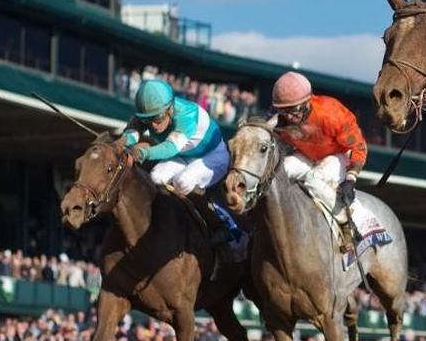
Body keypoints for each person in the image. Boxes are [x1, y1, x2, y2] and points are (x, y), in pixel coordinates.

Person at [122, 79, 241, 252]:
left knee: (183, 181)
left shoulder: (187, 115)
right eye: (148, 120)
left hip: (213, 155)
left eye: (158, 118)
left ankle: (221, 224)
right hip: (184, 155)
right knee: (156, 176)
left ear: (170, 109)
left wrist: (142, 153)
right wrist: (119, 144)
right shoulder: (149, 113)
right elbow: (131, 134)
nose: (154, 126)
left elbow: (170, 148)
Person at [270, 71, 367, 224]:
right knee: (277, 174)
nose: (289, 117)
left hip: (339, 155)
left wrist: (351, 179)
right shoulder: (279, 121)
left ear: (307, 102)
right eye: (284, 111)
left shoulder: (331, 114)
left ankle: (354, 221)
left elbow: (359, 146)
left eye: (293, 110)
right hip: (307, 156)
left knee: (314, 178)